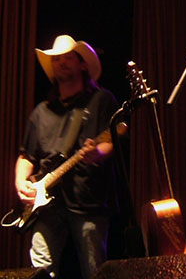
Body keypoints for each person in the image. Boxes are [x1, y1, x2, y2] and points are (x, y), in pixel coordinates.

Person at [14, 35, 119, 278]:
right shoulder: (41, 111)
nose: (61, 62)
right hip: (46, 203)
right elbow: (26, 156)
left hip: (88, 199)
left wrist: (97, 153)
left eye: (68, 57)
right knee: (40, 269)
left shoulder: (101, 100)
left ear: (82, 64)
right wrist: (21, 184)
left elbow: (112, 141)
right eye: (56, 59)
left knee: (94, 270)